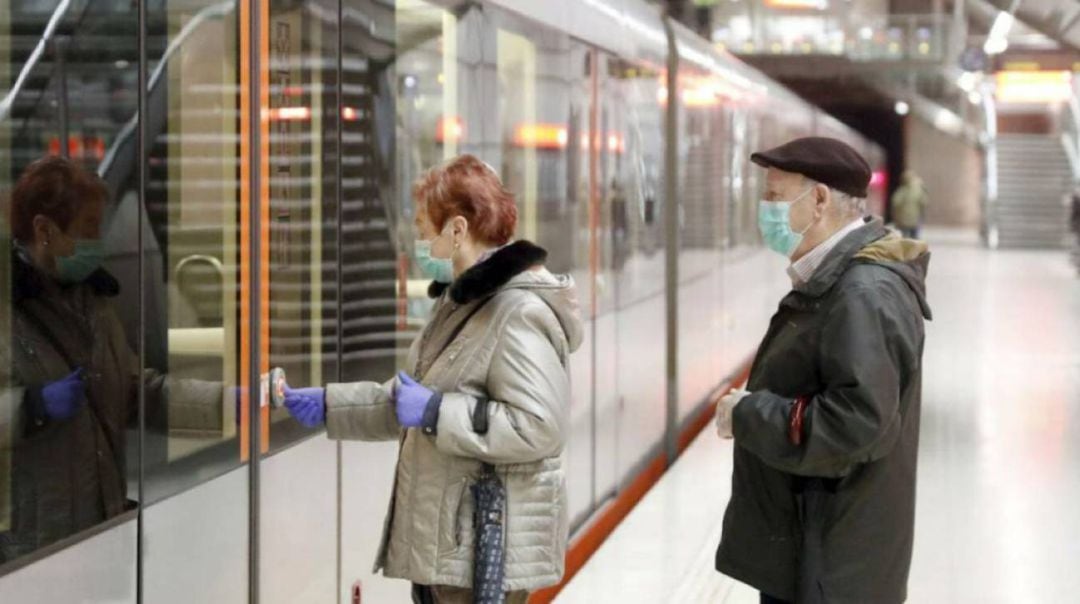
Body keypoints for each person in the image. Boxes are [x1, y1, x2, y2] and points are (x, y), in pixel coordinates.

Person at [278, 154, 582, 604]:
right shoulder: (460, 305)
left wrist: (438, 412)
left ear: (457, 230)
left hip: (478, 554)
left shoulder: (516, 313)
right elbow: (411, 403)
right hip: (448, 548)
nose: (420, 241)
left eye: (424, 228)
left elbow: (538, 426)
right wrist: (327, 404)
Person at [713, 137, 932, 604]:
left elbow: (857, 424)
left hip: (828, 566)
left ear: (818, 200)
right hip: (818, 550)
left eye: (774, 197)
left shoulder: (862, 293)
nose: (765, 210)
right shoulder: (840, 281)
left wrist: (748, 415)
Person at [0, 156, 228, 563]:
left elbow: (134, 390)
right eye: (87, 230)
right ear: (44, 230)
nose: (97, 244)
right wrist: (31, 408)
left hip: (99, 532)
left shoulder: (93, 303)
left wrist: (225, 404)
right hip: (32, 550)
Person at [890, 169, 929, 239]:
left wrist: (896, 216)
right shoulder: (919, 189)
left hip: (903, 220)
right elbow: (924, 202)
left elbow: (895, 203)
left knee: (904, 238)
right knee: (915, 238)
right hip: (915, 219)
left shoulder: (902, 190)